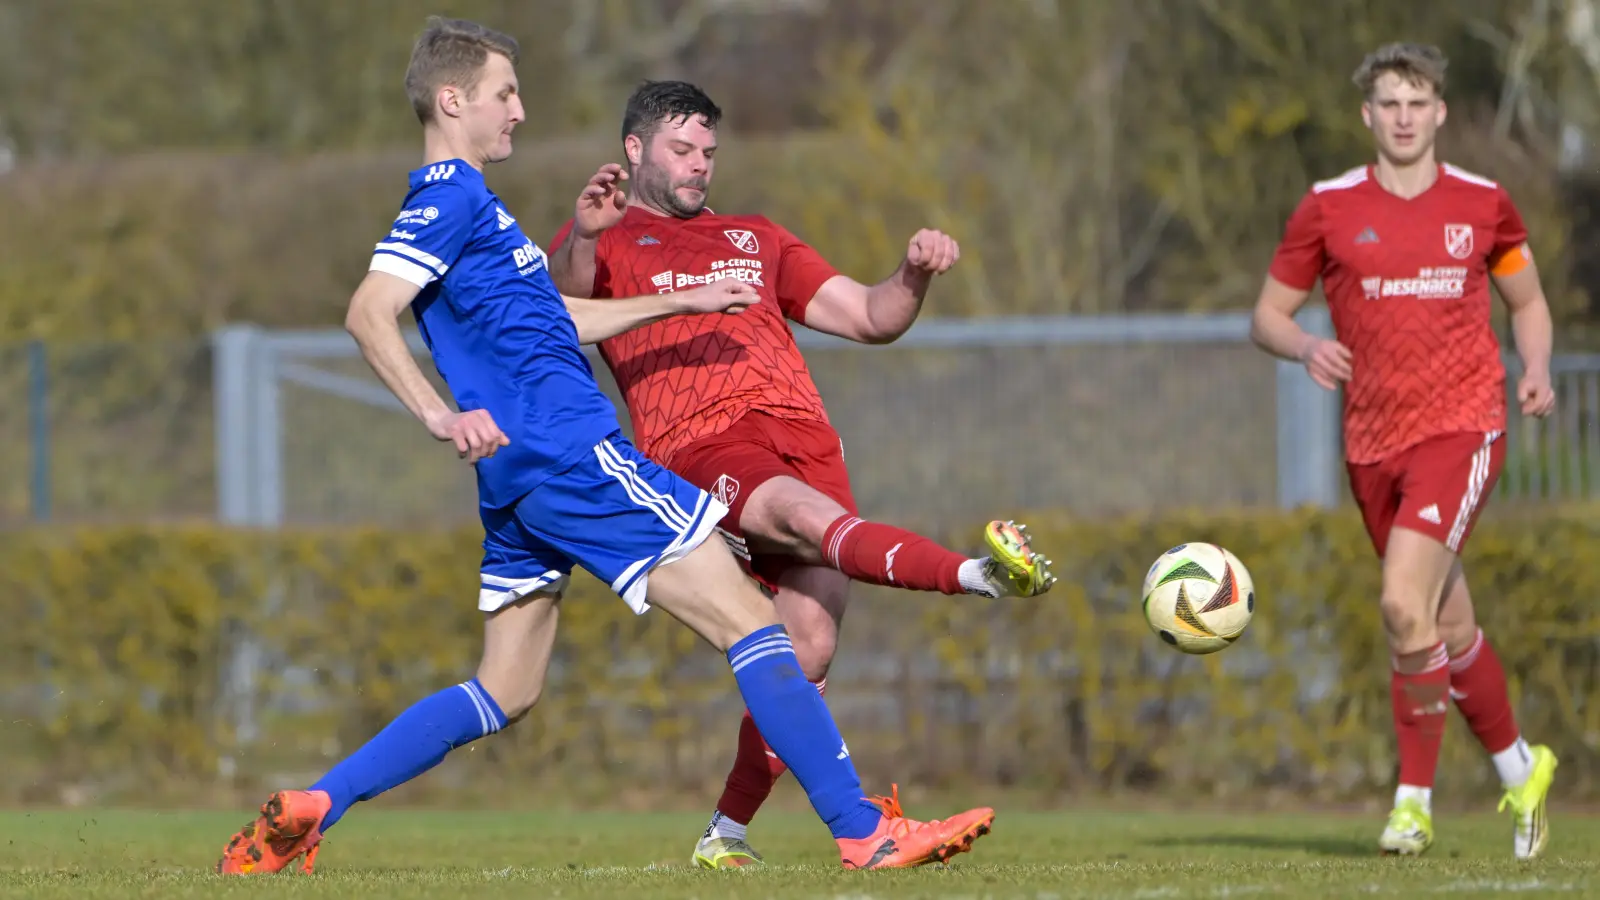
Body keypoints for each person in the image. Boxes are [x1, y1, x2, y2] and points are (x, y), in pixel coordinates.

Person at [214, 17, 995, 876]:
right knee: (755, 624)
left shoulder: (478, 209)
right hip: (569, 454)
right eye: (505, 93)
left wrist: (679, 302)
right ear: (453, 100)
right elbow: (368, 312)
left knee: (505, 689)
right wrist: (437, 414)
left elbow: (557, 319)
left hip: (516, 481)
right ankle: (863, 831)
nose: (519, 110)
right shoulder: (451, 199)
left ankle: (317, 806)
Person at [545, 80, 1055, 869]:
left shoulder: (756, 236)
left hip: (807, 438)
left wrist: (913, 273)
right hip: (701, 441)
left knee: (808, 645)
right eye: (681, 149)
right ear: (635, 149)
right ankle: (977, 575)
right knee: (803, 517)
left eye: (708, 151)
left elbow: (870, 317)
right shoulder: (602, 235)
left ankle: (725, 832)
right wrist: (583, 236)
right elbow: (558, 312)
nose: (699, 164)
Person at [1249, 42, 1558, 859]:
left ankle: (1412, 806)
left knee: (1397, 603)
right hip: (1371, 444)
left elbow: (1528, 301)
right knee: (1440, 622)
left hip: (1462, 425)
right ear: (1368, 115)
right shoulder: (1328, 208)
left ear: (1440, 112)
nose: (1404, 117)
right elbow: (1267, 316)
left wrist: (1535, 367)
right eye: (1390, 104)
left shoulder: (1484, 204)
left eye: (1418, 103)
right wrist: (1305, 347)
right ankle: (1522, 770)